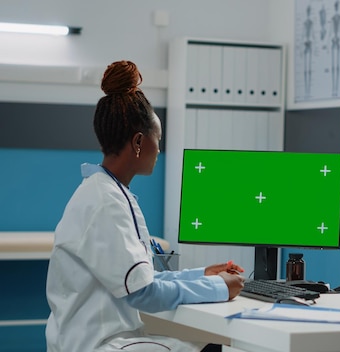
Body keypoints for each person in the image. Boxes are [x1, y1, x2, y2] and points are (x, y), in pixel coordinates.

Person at [45, 60, 245, 352]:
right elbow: (143, 292)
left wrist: (202, 275)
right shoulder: (105, 203)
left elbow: (142, 277)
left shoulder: (107, 192)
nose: (159, 149)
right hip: (97, 344)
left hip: (98, 338)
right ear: (138, 142)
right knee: (220, 348)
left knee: (211, 345)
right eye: (158, 139)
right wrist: (219, 288)